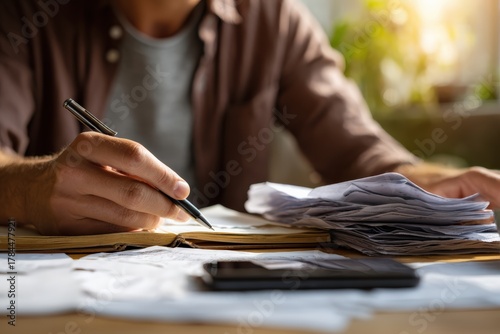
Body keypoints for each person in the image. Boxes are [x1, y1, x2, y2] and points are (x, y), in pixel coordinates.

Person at [0, 0, 499, 236]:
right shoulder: (24, 15)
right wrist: (31, 186)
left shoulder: (275, 21)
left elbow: (356, 149)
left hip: (226, 298)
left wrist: (430, 185)